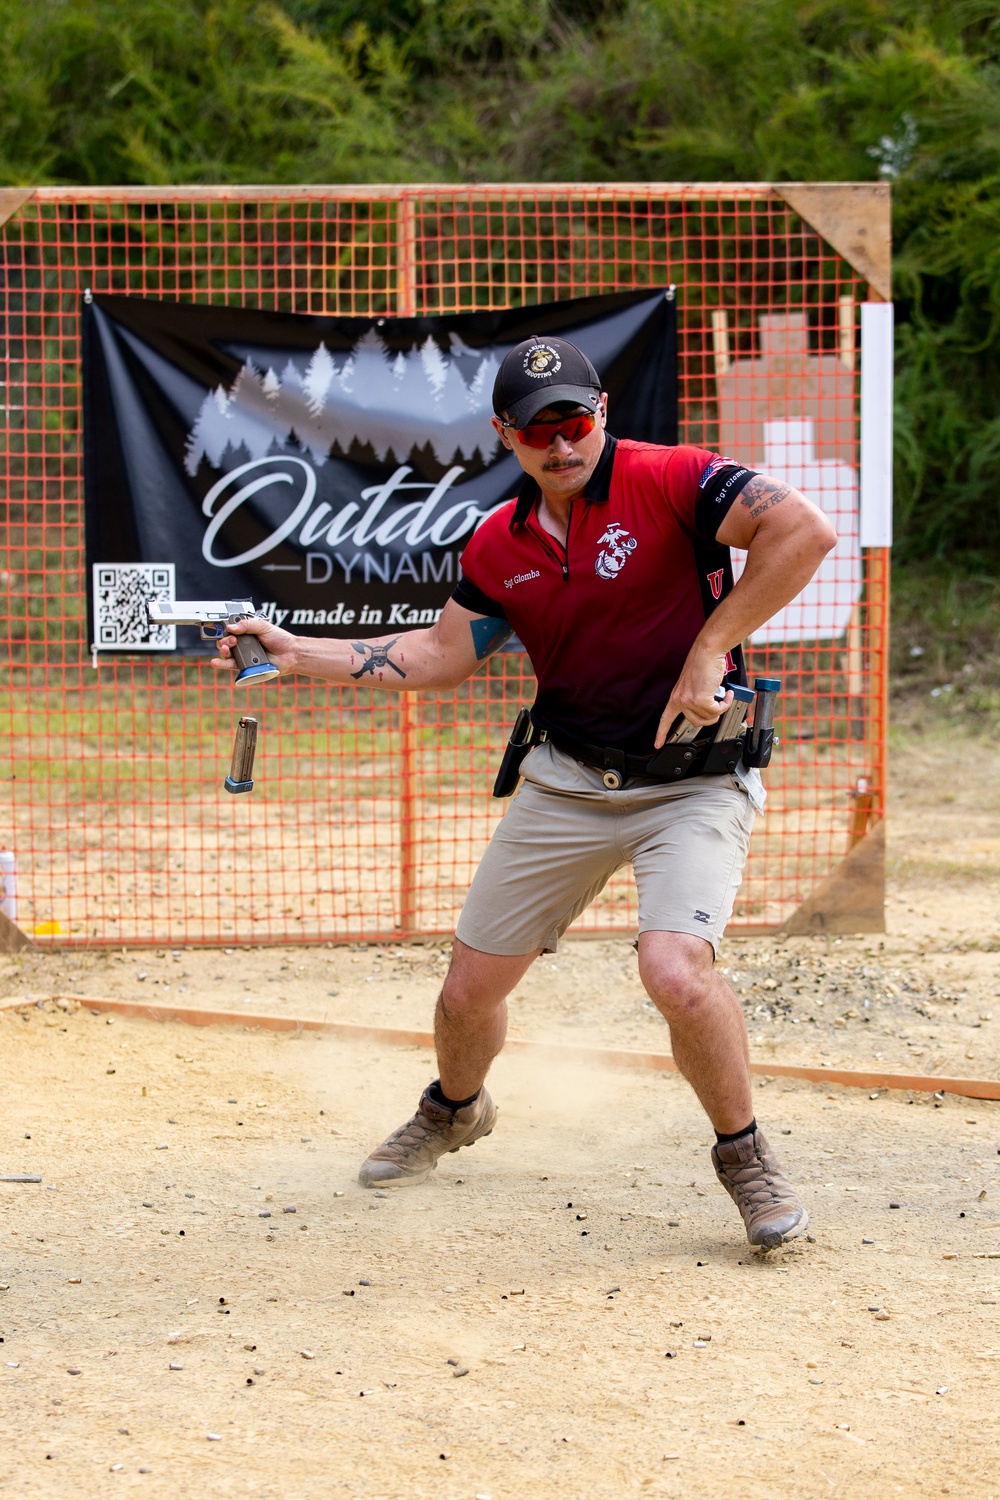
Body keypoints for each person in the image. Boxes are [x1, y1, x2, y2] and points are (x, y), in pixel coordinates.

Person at [214, 335, 837, 1251]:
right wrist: (295, 652)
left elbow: (805, 532)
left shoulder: (677, 478)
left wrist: (711, 646)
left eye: (575, 422)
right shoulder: (499, 543)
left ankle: (744, 1156)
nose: (562, 445)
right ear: (507, 435)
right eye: (539, 431)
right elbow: (434, 656)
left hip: (695, 781)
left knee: (674, 969)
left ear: (602, 416)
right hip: (571, 777)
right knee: (468, 992)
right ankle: (455, 1108)